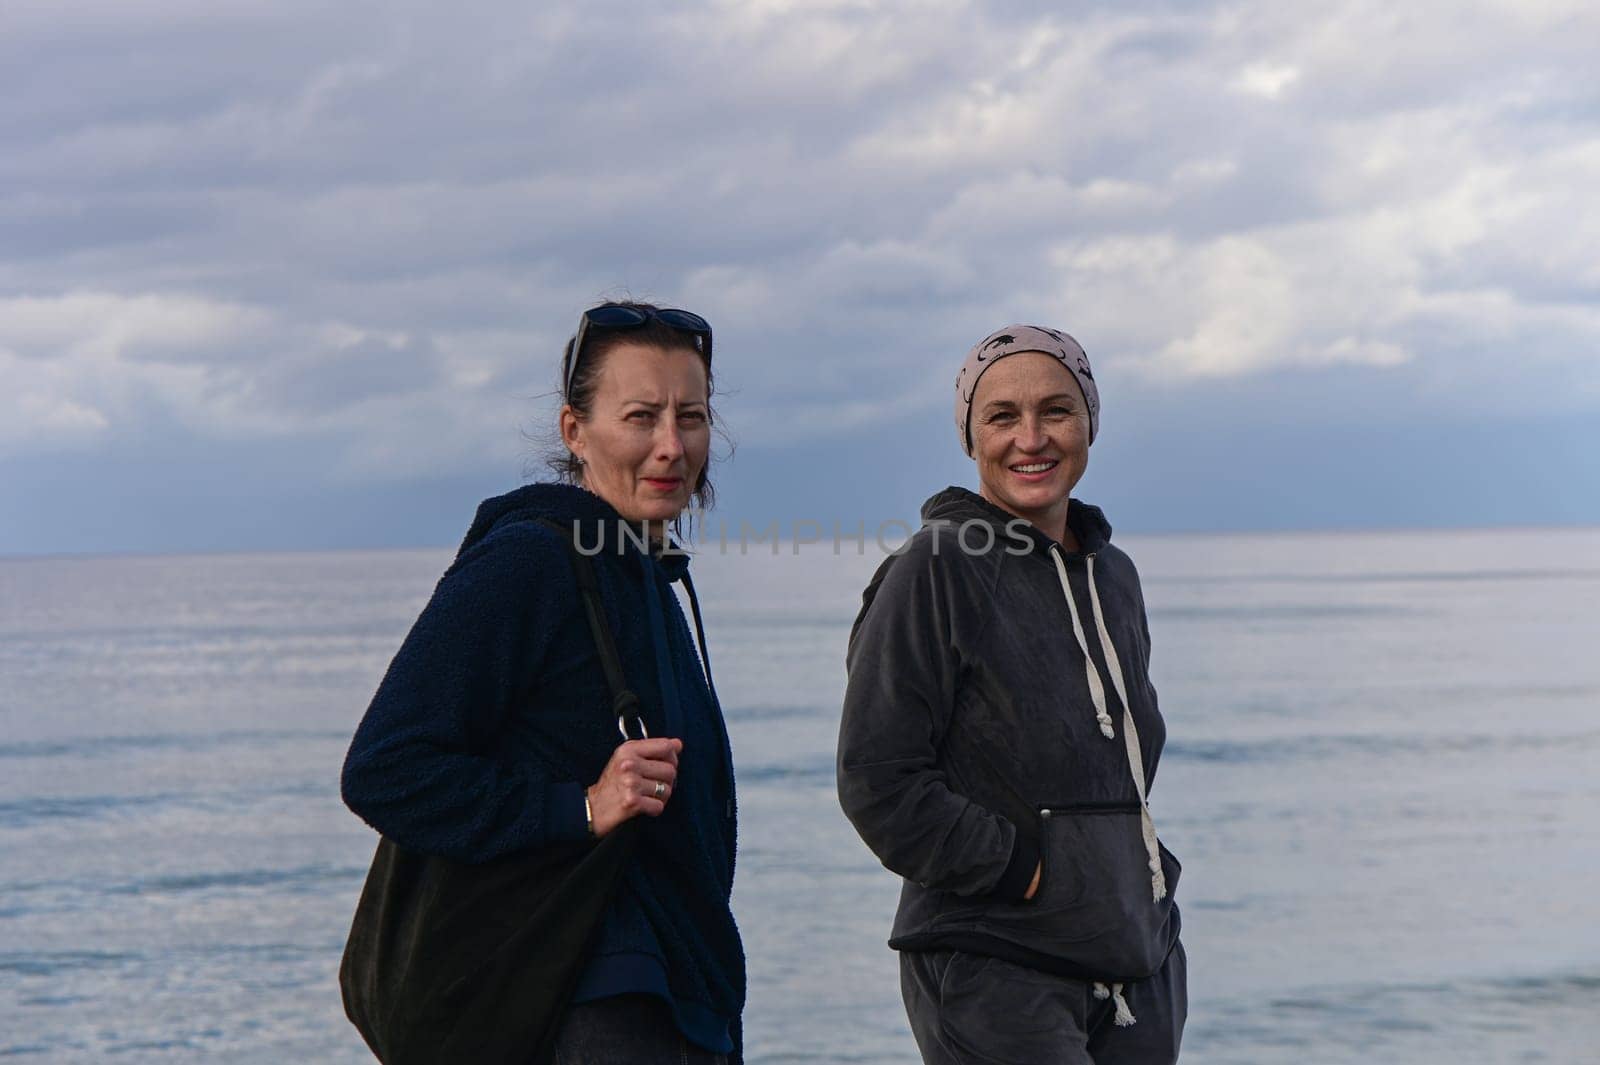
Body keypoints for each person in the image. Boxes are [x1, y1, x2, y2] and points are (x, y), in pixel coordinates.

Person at [341, 301, 744, 1063]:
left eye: (690, 417)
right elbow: (385, 768)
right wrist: (579, 807)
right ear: (573, 431)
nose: (670, 445)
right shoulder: (530, 563)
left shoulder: (642, 575)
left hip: (674, 1003)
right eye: (640, 416)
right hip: (587, 995)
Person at [836, 325, 1186, 1064]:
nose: (1031, 437)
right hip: (994, 959)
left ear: (1091, 421)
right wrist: (1024, 868)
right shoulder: (936, 566)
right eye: (1001, 416)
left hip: (1132, 957)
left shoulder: (1113, 575)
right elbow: (879, 778)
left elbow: (1121, 760)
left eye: (1056, 410)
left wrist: (1137, 882)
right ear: (970, 436)